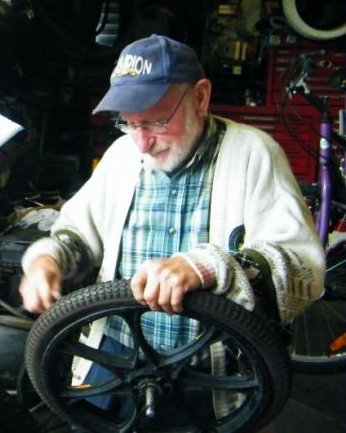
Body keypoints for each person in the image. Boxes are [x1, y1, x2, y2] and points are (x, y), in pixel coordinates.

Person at [19, 34, 325, 422]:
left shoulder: (254, 154)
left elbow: (301, 268)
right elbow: (78, 235)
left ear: (200, 97)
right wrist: (48, 260)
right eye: (128, 124)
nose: (142, 142)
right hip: (117, 359)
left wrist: (208, 267)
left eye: (157, 121)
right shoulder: (122, 155)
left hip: (212, 374)